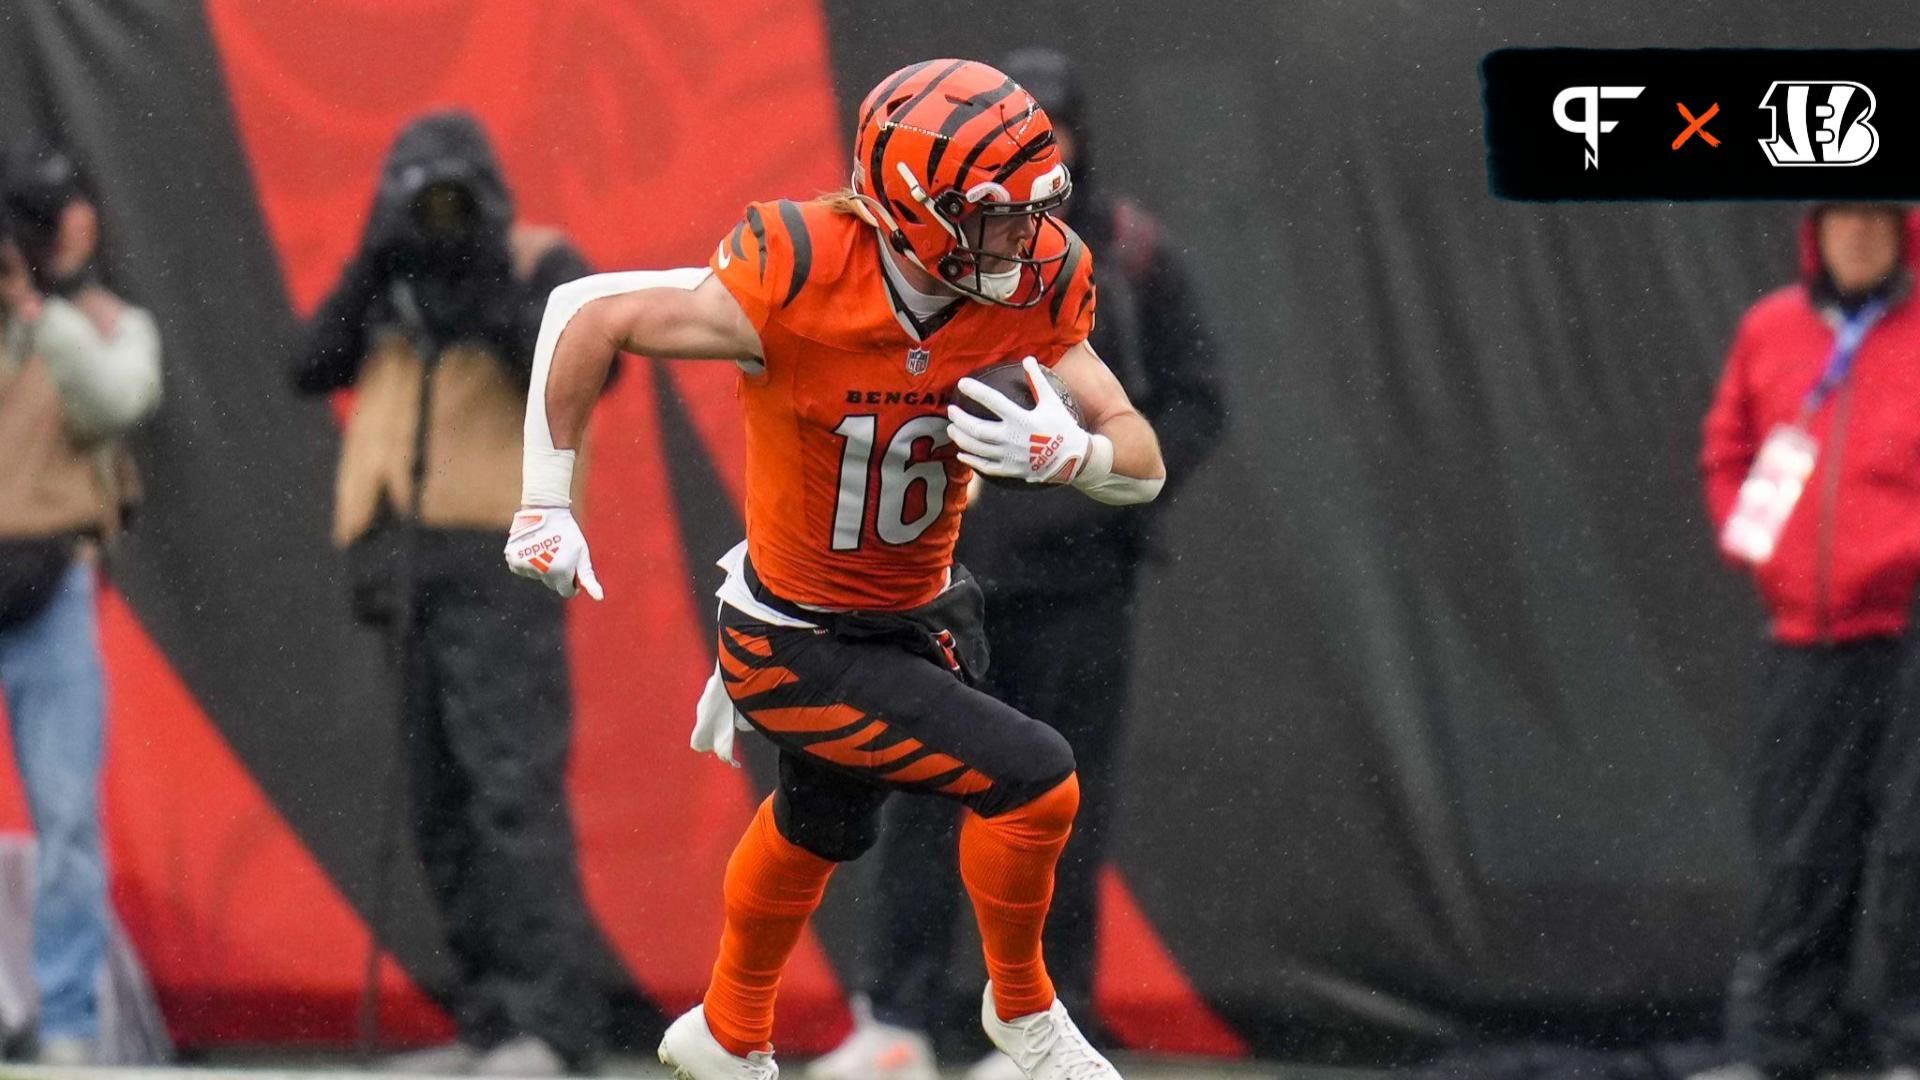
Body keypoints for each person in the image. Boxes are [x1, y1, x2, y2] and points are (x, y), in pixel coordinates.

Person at [505, 59, 1167, 1080]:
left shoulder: (1033, 281)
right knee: (1033, 778)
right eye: (994, 215)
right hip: (796, 636)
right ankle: (1024, 1012)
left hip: (912, 617)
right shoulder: (801, 272)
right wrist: (547, 501)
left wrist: (1072, 454)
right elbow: (586, 311)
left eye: (1034, 210)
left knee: (824, 820)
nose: (1021, 239)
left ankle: (728, 1031)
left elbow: (1142, 454)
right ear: (913, 203)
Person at [810, 47, 1227, 1080]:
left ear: (1080, 143)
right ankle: (897, 1017)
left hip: (1083, 587)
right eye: (1013, 136)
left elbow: (1192, 401)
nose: (1035, 162)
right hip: (945, 580)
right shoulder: (928, 252)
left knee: (1055, 806)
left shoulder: (1127, 254)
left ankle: (1044, 1024)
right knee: (914, 789)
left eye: (1054, 135)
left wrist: (1107, 483)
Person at [293, 110, 605, 1077]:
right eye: (416, 196)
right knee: (439, 804)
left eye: (449, 195)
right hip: (401, 556)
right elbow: (309, 365)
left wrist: (481, 285)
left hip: (499, 556)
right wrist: (374, 259)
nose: (437, 215)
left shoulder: (543, 261)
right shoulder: (392, 271)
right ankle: (488, 1020)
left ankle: (551, 1029)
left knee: (510, 791)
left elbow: (587, 375)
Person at [1698, 202, 1920, 1080]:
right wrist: (1766, 556)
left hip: (1910, 632)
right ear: (1814, 233)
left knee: (1914, 845)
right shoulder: (1770, 329)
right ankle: (1781, 1048)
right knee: (1799, 845)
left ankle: (1910, 1047)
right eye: (1841, 220)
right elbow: (1729, 452)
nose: (1858, 237)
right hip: (1807, 634)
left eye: (1875, 219)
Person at [0, 138, 163, 1064]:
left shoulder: (103, 323)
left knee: (65, 818)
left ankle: (64, 1022)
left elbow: (116, 400)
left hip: (50, 583)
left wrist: (39, 313)